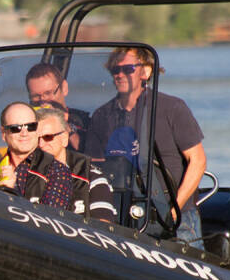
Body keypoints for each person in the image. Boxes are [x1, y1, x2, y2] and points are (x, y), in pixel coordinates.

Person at [87, 47, 207, 246]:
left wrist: (174, 209)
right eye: (115, 70)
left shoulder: (172, 108)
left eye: (127, 69)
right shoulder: (102, 115)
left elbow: (198, 160)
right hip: (122, 212)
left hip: (175, 216)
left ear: (146, 72)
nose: (119, 75)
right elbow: (95, 166)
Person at [0, 102, 73, 209]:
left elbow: (50, 220)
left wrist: (11, 191)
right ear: (3, 134)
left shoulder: (57, 171)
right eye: (16, 128)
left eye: (30, 126)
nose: (24, 133)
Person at [34, 104, 116, 221]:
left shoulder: (92, 179)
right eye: (36, 138)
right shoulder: (26, 176)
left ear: (64, 138)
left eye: (48, 137)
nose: (41, 144)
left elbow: (103, 230)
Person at [26, 62, 90, 152]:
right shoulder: (26, 126)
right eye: (36, 96)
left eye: (48, 93)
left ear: (64, 88)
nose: (43, 100)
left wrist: (63, 124)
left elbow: (88, 155)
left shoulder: (86, 122)